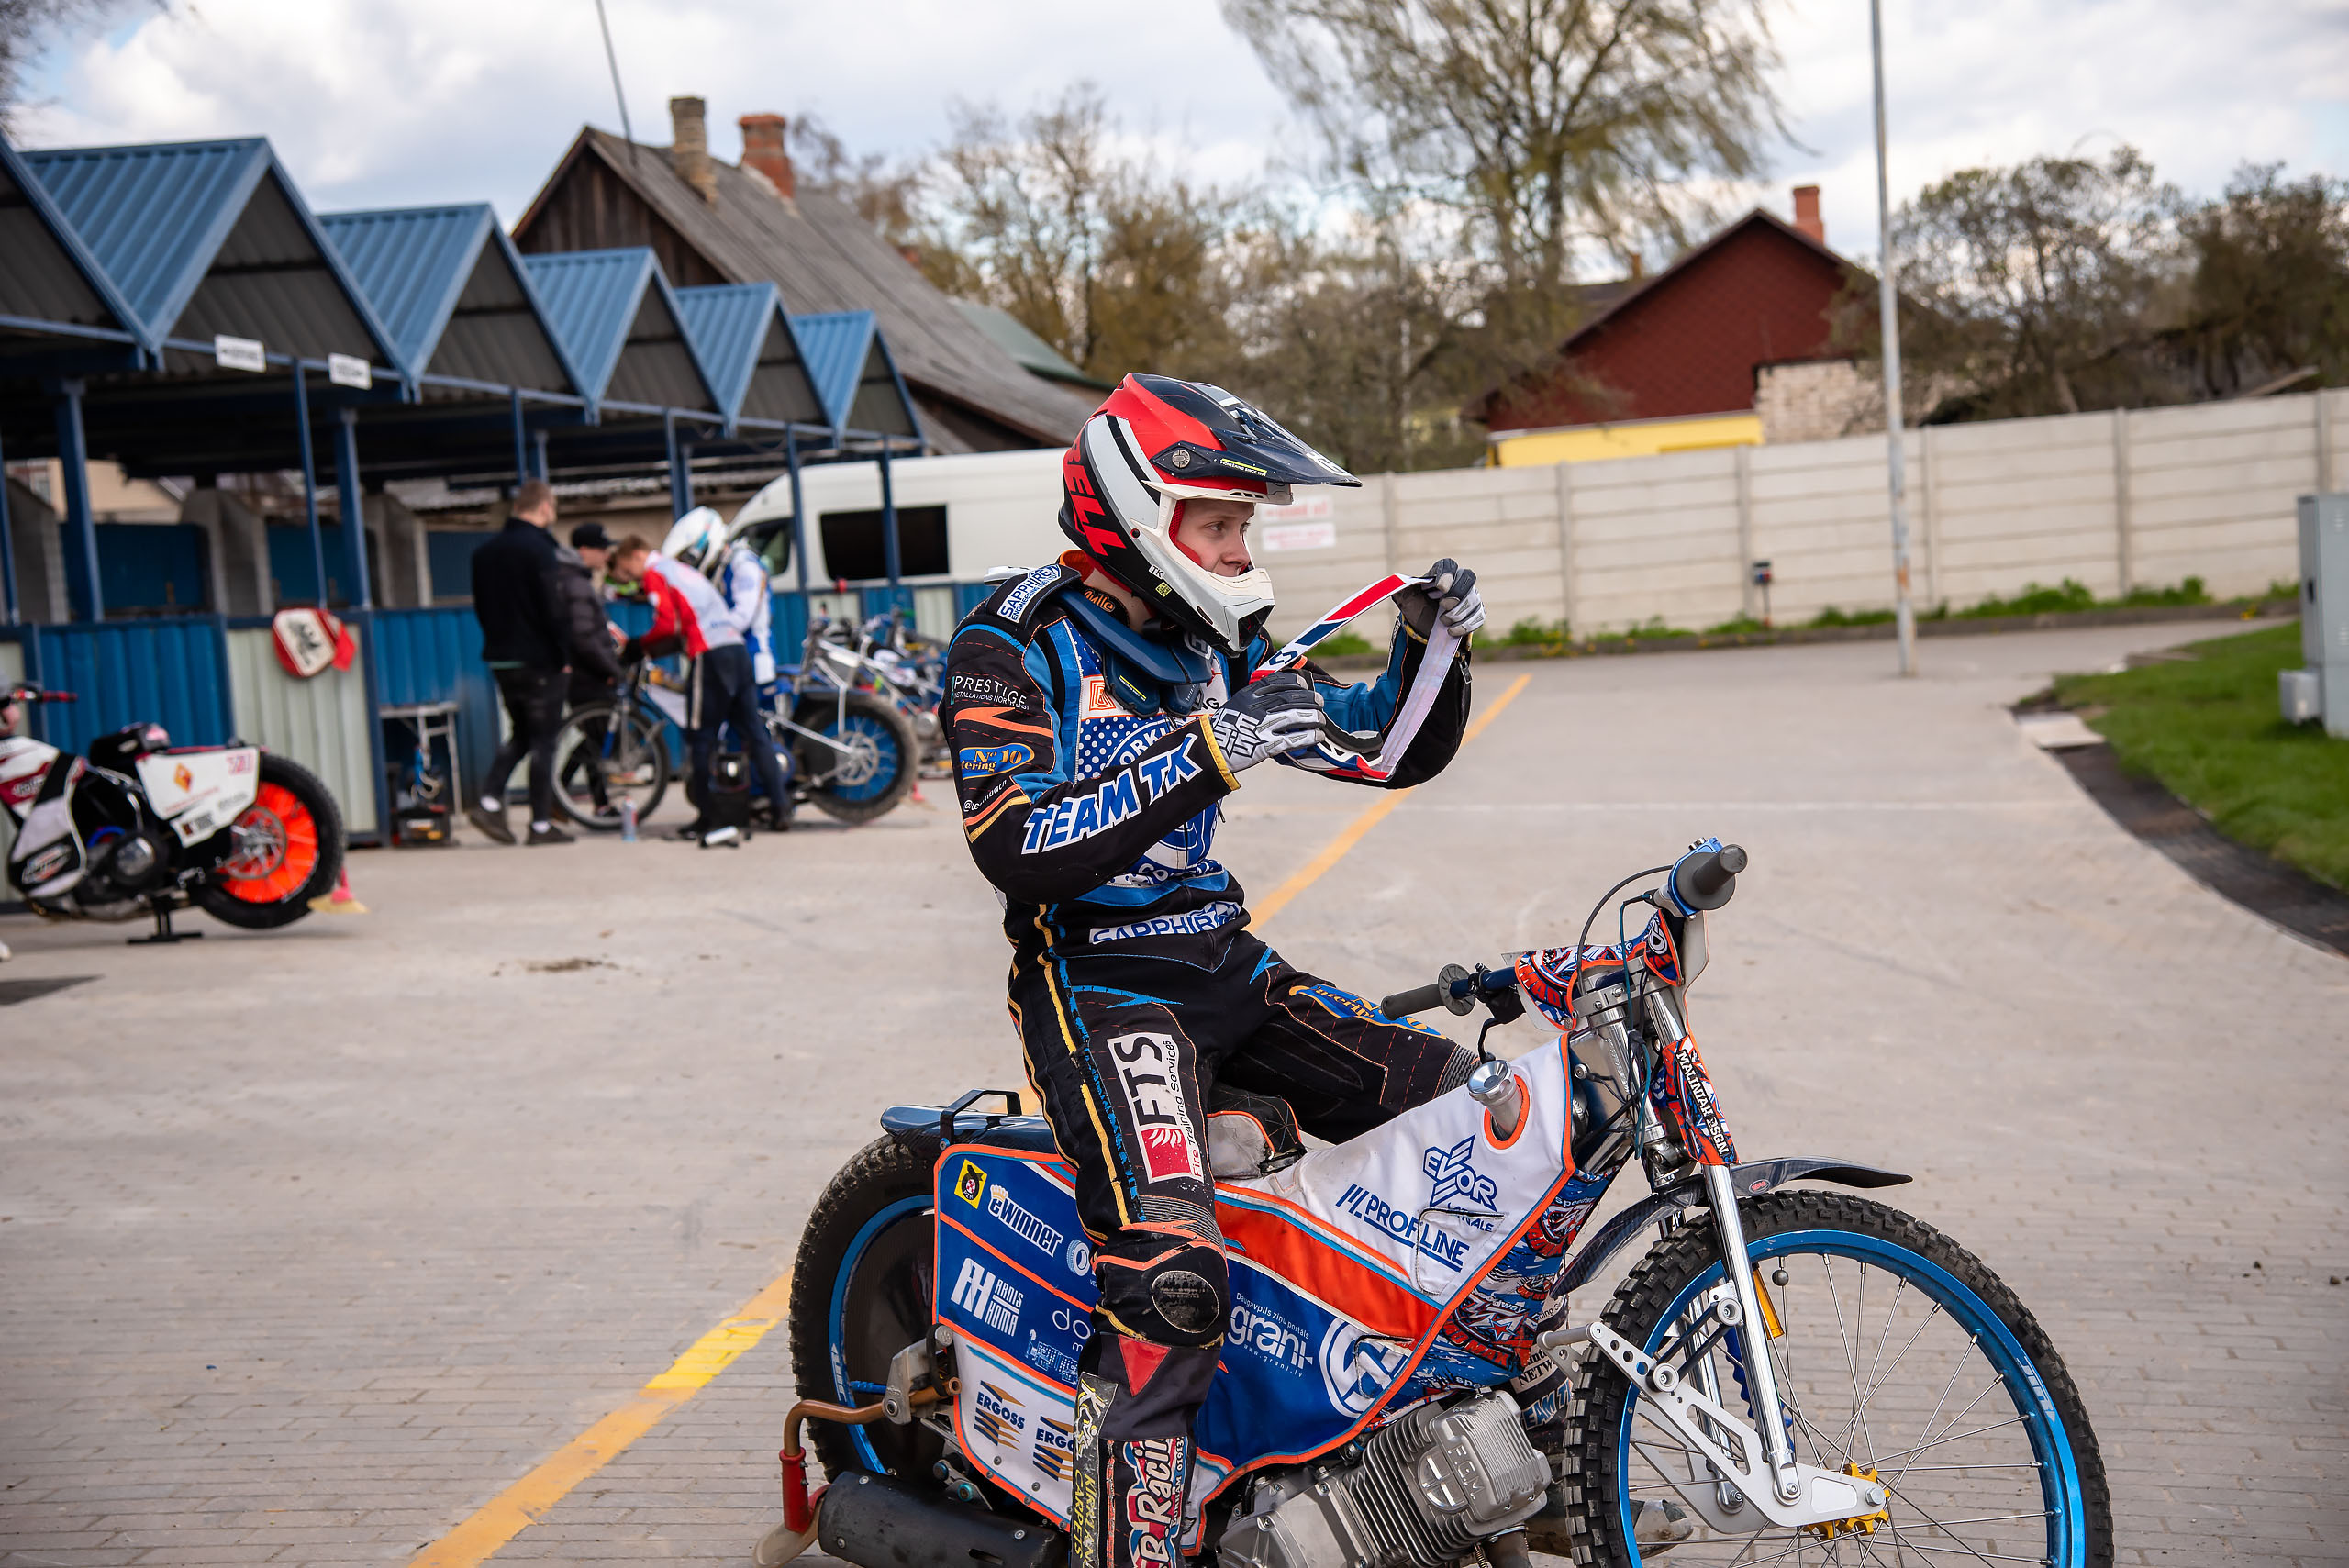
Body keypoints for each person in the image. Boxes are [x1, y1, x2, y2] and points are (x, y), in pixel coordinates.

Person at [939, 373, 1487, 1568]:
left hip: (1225, 963)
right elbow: (1015, 846)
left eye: (1245, 524)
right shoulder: (1010, 641)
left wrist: (1433, 647)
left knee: (1473, 1109)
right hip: (1100, 987)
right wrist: (1210, 747)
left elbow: (1377, 749)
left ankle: (1419, 1454)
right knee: (1174, 1279)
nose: (1242, 549)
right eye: (1222, 524)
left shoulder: (1215, 638)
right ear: (1140, 515)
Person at [607, 520, 792, 839]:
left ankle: (707, 818)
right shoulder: (681, 571)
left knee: (701, 736)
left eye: (627, 570)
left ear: (637, 555)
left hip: (710, 655)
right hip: (736, 651)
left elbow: (667, 625)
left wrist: (637, 646)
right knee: (755, 733)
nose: (631, 579)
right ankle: (780, 808)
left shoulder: (656, 573)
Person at [468, 479, 572, 846]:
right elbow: (552, 606)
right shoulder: (540, 550)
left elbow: (482, 608)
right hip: (539, 660)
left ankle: (489, 800)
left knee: (523, 734)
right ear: (544, 507)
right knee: (544, 740)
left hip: (501, 659)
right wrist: (563, 654)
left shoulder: (484, 554)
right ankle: (540, 825)